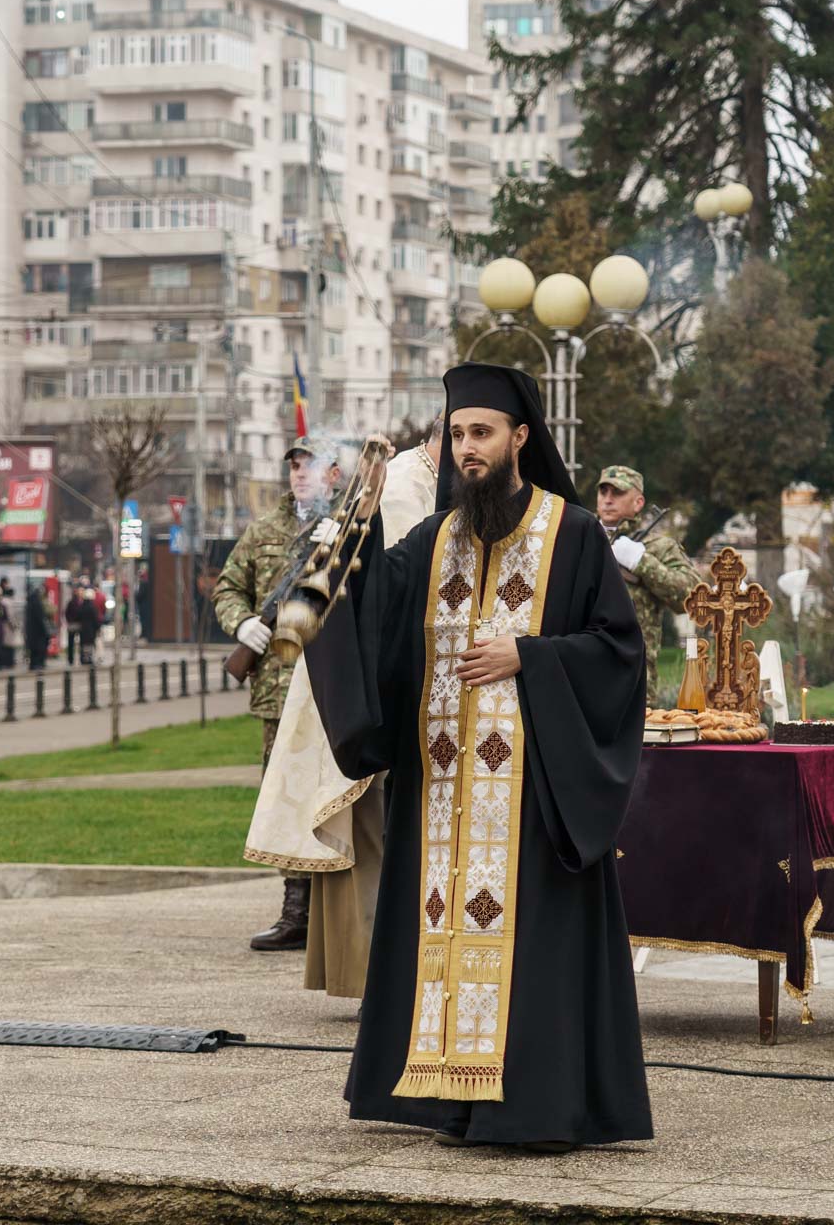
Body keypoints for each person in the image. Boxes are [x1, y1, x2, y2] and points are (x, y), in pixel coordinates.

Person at [304, 363, 651, 1152]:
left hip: (532, 796)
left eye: (482, 433)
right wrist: (354, 535)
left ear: (519, 437)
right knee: (442, 935)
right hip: (440, 795)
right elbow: (371, 620)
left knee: (529, 951)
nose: (468, 448)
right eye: (458, 434)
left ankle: (533, 1108)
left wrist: (531, 655)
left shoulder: (574, 533)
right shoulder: (433, 540)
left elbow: (620, 654)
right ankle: (448, 1101)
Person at [244, 416, 442, 999]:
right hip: (373, 685)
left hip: (375, 679)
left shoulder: (415, 480)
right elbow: (396, 595)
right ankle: (379, 978)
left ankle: (385, 975)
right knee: (370, 832)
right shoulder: (402, 488)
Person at [212, 435, 344, 952]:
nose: (300, 474)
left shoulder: (351, 527)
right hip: (278, 688)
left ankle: (340, 915)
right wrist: (242, 623)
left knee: (335, 795)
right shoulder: (265, 528)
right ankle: (296, 912)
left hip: (333, 685)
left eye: (310, 465)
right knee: (283, 797)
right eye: (294, 466)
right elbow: (228, 586)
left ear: (334, 474)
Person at [596, 465, 700, 703]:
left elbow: (693, 597)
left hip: (634, 678)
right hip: (581, 673)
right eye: (603, 492)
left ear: (638, 502)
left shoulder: (658, 547)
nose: (608, 499)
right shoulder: (580, 538)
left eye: (618, 492)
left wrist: (642, 562)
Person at [24, 584, 50, 670]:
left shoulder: (29, 602)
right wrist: (45, 630)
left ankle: (33, 664)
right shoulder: (37, 602)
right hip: (38, 631)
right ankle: (38, 664)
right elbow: (40, 618)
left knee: (33, 649)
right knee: (39, 648)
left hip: (31, 630)